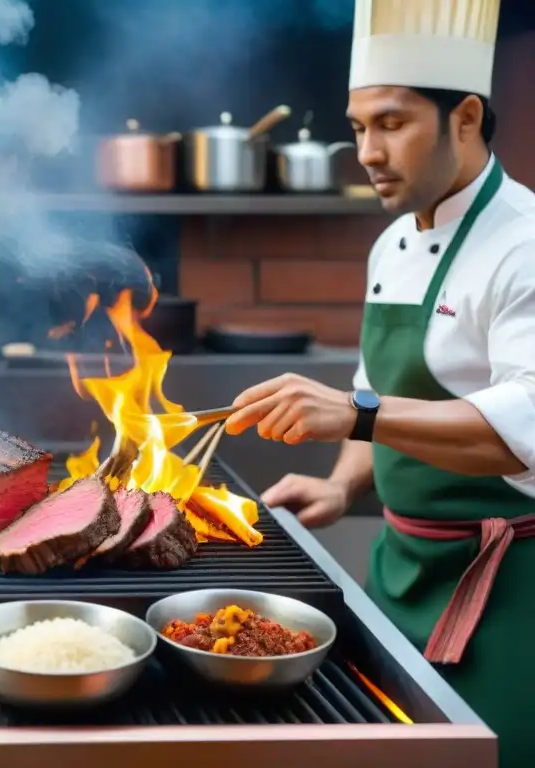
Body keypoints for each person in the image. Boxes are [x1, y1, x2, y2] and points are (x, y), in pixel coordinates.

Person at [223, 2, 535, 766]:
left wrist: (353, 414)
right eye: (358, 127)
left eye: (391, 124)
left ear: (465, 117)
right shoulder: (393, 241)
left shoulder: (525, 243)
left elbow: (520, 425)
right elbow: (384, 386)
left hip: (508, 593)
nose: (366, 150)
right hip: (398, 574)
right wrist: (342, 486)